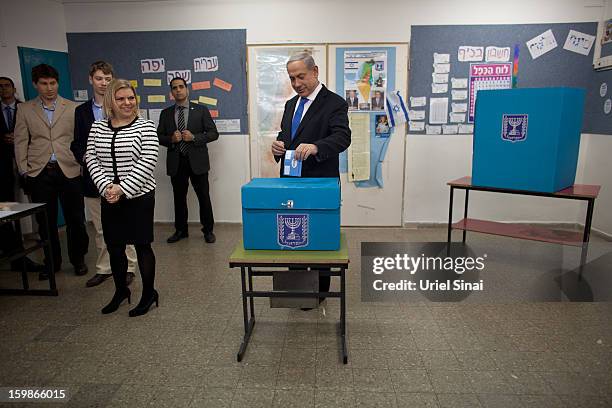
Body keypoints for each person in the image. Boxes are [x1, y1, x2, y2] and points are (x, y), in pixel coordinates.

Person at [271, 52, 351, 307]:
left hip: (319, 182)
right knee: (292, 235)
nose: (296, 84)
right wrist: (278, 147)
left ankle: (319, 294)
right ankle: (297, 291)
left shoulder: (334, 103)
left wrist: (317, 147)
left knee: (318, 238)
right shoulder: (290, 104)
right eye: (292, 78)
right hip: (290, 183)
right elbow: (287, 136)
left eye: (301, 77)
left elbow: (342, 137)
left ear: (315, 71)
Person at [85, 79, 159, 316]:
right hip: (109, 197)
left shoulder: (145, 127)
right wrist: (106, 187)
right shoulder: (98, 127)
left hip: (139, 196)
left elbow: (147, 161)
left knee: (142, 245)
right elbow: (91, 159)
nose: (127, 103)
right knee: (114, 246)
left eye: (130, 98)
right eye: (120, 98)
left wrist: (122, 189)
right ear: (110, 102)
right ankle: (120, 291)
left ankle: (149, 294)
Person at [14, 64, 89, 280]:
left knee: (75, 218)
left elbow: (81, 139)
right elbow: (20, 141)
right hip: (39, 171)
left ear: (58, 83)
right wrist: (24, 169)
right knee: (45, 222)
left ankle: (78, 259)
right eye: (44, 84)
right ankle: (52, 262)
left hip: (69, 169)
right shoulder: (25, 109)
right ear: (36, 85)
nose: (49, 88)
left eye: (53, 83)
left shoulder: (74, 108)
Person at [71, 61, 137, 288]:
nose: (104, 83)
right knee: (100, 229)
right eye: (99, 78)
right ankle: (104, 268)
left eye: (108, 79)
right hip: (93, 180)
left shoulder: (122, 109)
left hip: (123, 183)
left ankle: (128, 267)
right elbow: (78, 144)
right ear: (91, 80)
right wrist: (88, 160)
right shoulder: (81, 112)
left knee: (125, 227)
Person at [158, 77, 219, 244]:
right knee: (179, 198)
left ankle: (208, 230)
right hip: (177, 162)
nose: (178, 90)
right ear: (171, 92)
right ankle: (180, 230)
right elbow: (158, 137)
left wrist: (194, 137)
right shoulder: (166, 113)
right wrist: (171, 138)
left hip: (197, 162)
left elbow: (214, 133)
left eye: (181, 87)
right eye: (174, 88)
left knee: (203, 197)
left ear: (187, 89)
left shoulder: (201, 110)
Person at [0, 76, 45, 272]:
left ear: (14, 87)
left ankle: (35, 238)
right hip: (4, 169)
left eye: (7, 86)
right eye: (0, 87)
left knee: (31, 205)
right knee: (7, 209)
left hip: (30, 165)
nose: (3, 90)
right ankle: (14, 250)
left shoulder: (24, 108)